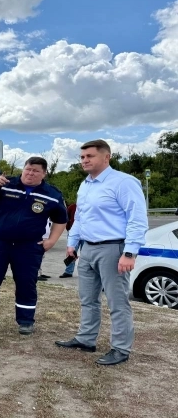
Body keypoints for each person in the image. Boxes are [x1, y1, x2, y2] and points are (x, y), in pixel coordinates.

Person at [55, 140, 148, 366]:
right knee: (88, 299)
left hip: (113, 249)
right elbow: (80, 217)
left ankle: (120, 348)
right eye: (82, 157)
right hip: (87, 249)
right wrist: (73, 242)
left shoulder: (123, 182)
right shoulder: (86, 184)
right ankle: (86, 339)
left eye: (90, 156)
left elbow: (137, 219)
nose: (84, 160)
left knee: (117, 302)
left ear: (106, 157)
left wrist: (130, 253)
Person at [0, 157, 67, 336]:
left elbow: (61, 220)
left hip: (28, 246)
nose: (30, 173)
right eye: (28, 169)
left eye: (36, 171)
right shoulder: (6, 184)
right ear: (23, 169)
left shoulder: (52, 194)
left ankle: (25, 321)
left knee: (26, 282)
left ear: (44, 173)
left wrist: (52, 241)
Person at [59, 203, 81, 278]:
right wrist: (68, 228)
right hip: (73, 232)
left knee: (85, 254)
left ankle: (83, 272)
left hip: (86, 234)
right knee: (71, 252)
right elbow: (66, 218)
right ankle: (68, 271)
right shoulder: (72, 207)